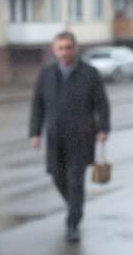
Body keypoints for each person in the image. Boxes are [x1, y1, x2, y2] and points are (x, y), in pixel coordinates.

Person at [29, 30, 110, 242]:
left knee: (75, 182)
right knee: (57, 177)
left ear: (75, 48)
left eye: (68, 47)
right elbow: (37, 104)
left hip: (81, 137)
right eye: (60, 48)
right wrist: (35, 132)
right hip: (55, 138)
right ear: (54, 50)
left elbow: (102, 104)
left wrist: (103, 129)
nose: (65, 52)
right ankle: (76, 205)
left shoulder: (90, 73)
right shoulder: (46, 73)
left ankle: (72, 223)